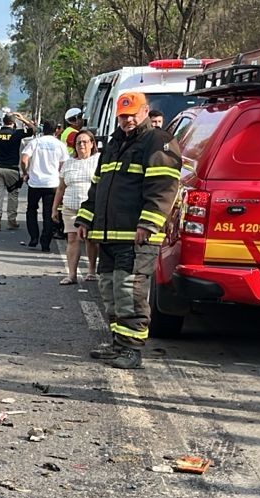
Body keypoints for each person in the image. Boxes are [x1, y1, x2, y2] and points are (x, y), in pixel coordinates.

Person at [74, 91, 181, 369]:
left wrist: (148, 223)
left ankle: (132, 350)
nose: (128, 119)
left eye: (133, 113)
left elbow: (163, 188)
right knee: (110, 290)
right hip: (109, 235)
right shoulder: (114, 143)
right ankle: (118, 344)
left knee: (129, 291)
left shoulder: (159, 143)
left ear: (146, 111)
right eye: (123, 115)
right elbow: (98, 186)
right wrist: (86, 218)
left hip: (136, 237)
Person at [53, 129, 98, 284]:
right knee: (72, 239)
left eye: (85, 142)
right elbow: (61, 188)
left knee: (90, 239)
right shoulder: (69, 163)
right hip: (70, 207)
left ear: (92, 144)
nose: (81, 145)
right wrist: (55, 208)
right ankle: (71, 274)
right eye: (78, 142)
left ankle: (91, 270)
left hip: (91, 208)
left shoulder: (98, 160)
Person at [20, 119, 67, 253]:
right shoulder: (60, 145)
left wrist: (25, 173)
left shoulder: (35, 142)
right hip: (52, 183)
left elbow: (24, 159)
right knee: (49, 213)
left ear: (42, 129)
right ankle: (45, 243)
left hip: (35, 183)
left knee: (31, 210)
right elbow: (64, 164)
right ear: (56, 130)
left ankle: (33, 238)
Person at [0, 112, 33, 230]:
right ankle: (11, 221)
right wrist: (23, 119)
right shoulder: (16, 134)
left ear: (3, 122)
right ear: (13, 123)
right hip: (12, 169)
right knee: (13, 195)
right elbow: (33, 130)